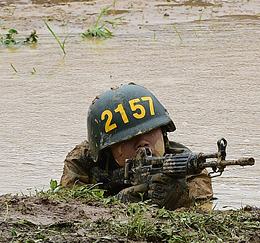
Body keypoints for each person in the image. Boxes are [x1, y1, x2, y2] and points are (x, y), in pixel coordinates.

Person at [60, 83, 213, 208]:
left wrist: (180, 200)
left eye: (150, 131)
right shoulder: (83, 161)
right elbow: (68, 206)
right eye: (128, 138)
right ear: (107, 149)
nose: (142, 142)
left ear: (163, 130)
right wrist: (119, 202)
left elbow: (204, 210)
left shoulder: (185, 163)